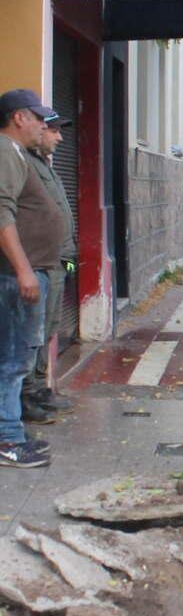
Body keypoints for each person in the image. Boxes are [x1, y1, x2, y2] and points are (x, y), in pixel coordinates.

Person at [0, 89, 66, 468]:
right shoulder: (6, 153)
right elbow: (2, 211)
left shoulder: (19, 155)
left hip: (30, 272)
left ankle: (11, 433)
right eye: (38, 117)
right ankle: (8, 438)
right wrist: (24, 269)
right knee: (14, 359)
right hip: (16, 277)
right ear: (18, 117)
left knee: (17, 357)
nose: (44, 125)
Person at [22, 109, 75, 423]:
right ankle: (28, 395)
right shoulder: (23, 163)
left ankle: (40, 388)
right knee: (33, 331)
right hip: (39, 262)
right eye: (53, 131)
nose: (59, 137)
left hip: (60, 262)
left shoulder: (44, 164)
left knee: (49, 326)